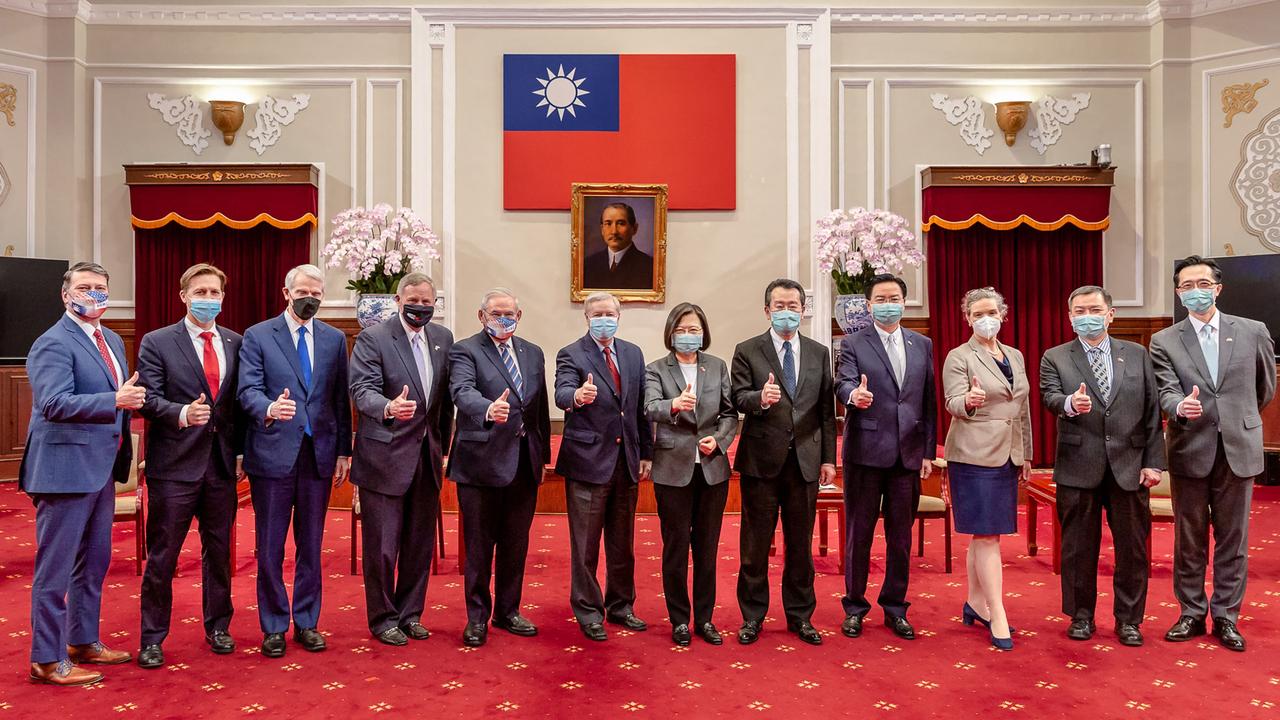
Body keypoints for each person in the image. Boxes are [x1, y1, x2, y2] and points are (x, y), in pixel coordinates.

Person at [1150, 255, 1276, 652]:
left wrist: (1235, 418)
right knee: (1189, 539)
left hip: (1238, 447)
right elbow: (1165, 390)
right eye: (1186, 285)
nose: (1195, 291)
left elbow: (1265, 388)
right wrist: (1177, 408)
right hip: (1190, 447)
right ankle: (1190, 612)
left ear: (1217, 288)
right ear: (1178, 292)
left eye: (1202, 283)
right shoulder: (1164, 340)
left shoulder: (1253, 331)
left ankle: (1226, 615)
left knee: (1233, 538)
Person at [22, 261, 138, 686]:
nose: (94, 294)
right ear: (66, 294)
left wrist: (121, 402)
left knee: (94, 562)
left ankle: (82, 639)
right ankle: (46, 659)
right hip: (63, 471)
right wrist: (116, 399)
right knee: (55, 570)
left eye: (101, 287)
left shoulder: (110, 339)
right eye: (86, 287)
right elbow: (53, 403)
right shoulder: (52, 342)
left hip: (102, 469)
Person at [1040, 285, 1165, 646]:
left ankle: (1129, 620)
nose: (1087, 316)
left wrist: (1154, 462)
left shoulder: (1138, 354)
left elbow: (1152, 412)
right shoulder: (1056, 356)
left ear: (1111, 314)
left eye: (1094, 309)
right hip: (1079, 464)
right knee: (1078, 548)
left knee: (1132, 548)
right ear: (1070, 317)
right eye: (1079, 311)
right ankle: (1081, 616)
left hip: (1130, 465)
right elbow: (1049, 396)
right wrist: (1068, 403)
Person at [237, 264, 351, 658]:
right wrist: (268, 407)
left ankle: (306, 622)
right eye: (304, 292)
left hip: (318, 456)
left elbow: (339, 399)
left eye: (317, 294)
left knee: (311, 545)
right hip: (272, 453)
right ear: (286, 293)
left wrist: (343, 451)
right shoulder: (258, 335)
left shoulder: (335, 339)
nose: (311, 299)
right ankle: (272, 625)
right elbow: (246, 389)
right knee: (269, 547)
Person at [134, 263, 244, 669]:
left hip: (220, 469)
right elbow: (147, 397)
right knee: (164, 557)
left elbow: (236, 406)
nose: (208, 299)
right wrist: (182, 414)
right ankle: (152, 638)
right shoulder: (157, 341)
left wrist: (241, 453)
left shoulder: (235, 341)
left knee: (218, 554)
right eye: (201, 292)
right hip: (174, 467)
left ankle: (218, 627)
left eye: (215, 293)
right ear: (183, 296)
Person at [348, 272, 454, 646]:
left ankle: (411, 614)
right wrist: (388, 407)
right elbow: (361, 390)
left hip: (427, 457)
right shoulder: (373, 338)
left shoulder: (443, 338)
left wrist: (443, 446)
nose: (421, 307)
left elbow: (444, 402)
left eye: (428, 302)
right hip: (384, 456)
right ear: (397, 300)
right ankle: (382, 617)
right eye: (414, 300)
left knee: (418, 543)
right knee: (382, 546)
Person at [730, 278, 836, 646]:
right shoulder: (748, 350)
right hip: (761, 461)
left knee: (800, 545)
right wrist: (761, 397)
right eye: (780, 306)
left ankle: (800, 615)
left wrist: (829, 460)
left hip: (806, 462)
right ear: (767, 310)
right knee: (755, 544)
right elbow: (737, 399)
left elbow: (826, 410)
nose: (787, 312)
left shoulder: (820, 352)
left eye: (794, 306)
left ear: (803, 310)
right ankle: (753, 616)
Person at [835, 274, 936, 642]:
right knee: (859, 535)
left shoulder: (921, 343)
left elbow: (928, 400)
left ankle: (895, 607)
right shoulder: (853, 343)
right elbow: (842, 382)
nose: (887, 303)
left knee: (900, 538)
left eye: (894, 297)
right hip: (865, 453)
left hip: (907, 455)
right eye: (880, 298)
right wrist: (853, 397)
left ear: (904, 302)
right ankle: (855, 606)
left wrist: (928, 450)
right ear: (868, 304)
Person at [448, 287, 551, 648]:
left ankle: (508, 610)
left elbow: (538, 410)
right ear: (482, 316)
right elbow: (462, 392)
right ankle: (476, 617)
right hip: (480, 464)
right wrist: (488, 410)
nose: (503, 319)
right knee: (479, 546)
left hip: (524, 463)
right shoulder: (465, 350)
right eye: (496, 313)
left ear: (519, 317)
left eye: (510, 313)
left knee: (515, 543)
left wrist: (543, 459)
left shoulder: (533, 352)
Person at [554, 292, 653, 641]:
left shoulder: (632, 353)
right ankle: (588, 611)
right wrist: (576, 396)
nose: (604, 319)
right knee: (585, 544)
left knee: (622, 543)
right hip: (587, 462)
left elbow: (640, 406)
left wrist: (646, 452)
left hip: (625, 460)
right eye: (597, 314)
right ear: (586, 317)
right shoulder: (572, 353)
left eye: (610, 313)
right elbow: (562, 392)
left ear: (619, 316)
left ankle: (621, 605)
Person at [941, 287, 1033, 651]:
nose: (986, 318)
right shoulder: (959, 356)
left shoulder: (1015, 354)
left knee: (985, 534)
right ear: (967, 318)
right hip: (973, 454)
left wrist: (1025, 454)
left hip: (1008, 454)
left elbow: (1021, 408)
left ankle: (975, 602)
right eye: (977, 313)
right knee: (987, 535)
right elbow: (951, 401)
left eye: (991, 312)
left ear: (1003, 314)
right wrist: (969, 400)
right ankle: (997, 612)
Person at [644, 303, 739, 647]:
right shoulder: (656, 369)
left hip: (712, 468)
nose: (688, 335)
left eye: (694, 329)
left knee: (707, 548)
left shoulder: (716, 366)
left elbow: (730, 414)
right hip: (673, 468)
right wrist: (674, 405)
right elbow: (649, 407)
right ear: (671, 333)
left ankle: (706, 618)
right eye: (682, 330)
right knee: (675, 547)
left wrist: (722, 441)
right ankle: (680, 619)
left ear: (704, 333)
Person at [581, 202, 655, 290]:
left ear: (634, 228)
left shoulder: (650, 267)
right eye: (608, 224)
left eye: (621, 223)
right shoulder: (587, 265)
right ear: (602, 230)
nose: (614, 231)